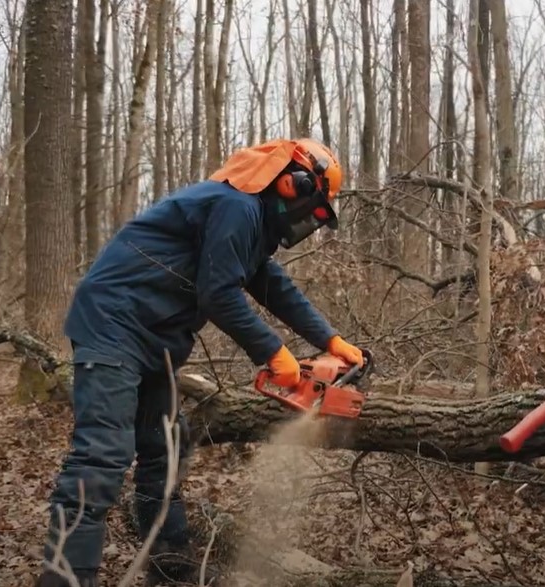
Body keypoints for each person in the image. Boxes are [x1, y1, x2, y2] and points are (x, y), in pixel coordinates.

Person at [34, 138, 364, 587]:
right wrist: (273, 351)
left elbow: (272, 285)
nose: (310, 219)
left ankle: (170, 570)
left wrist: (331, 339)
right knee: (102, 456)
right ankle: (65, 579)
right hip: (114, 325)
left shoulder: (248, 224)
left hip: (155, 339)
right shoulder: (236, 206)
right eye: (315, 208)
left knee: (165, 450)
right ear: (294, 183)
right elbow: (220, 293)